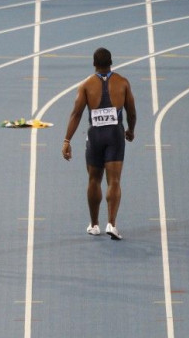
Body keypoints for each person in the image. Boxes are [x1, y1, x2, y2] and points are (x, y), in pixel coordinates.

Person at [62, 48, 136, 240]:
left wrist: (67, 140)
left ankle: (94, 225)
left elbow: (76, 114)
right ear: (111, 62)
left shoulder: (86, 85)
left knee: (94, 180)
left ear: (94, 64)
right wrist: (131, 130)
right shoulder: (123, 83)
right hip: (115, 135)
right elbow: (131, 112)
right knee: (114, 181)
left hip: (95, 135)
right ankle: (112, 223)